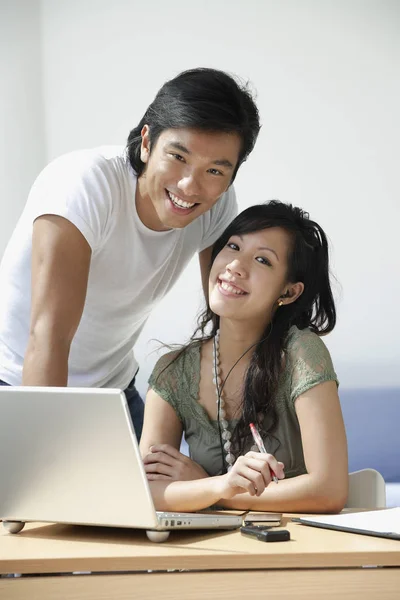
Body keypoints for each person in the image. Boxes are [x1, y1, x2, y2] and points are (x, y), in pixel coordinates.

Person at [0, 68, 260, 439]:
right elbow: (48, 336)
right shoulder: (84, 185)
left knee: (147, 497)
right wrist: (47, 459)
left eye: (215, 170)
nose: (190, 185)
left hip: (113, 391)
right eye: (178, 156)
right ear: (146, 142)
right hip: (18, 384)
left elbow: (229, 316)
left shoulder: (215, 205)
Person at [140, 201, 348, 513]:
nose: (235, 265)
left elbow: (329, 490)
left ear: (289, 292)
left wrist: (213, 492)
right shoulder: (173, 371)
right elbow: (144, 491)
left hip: (294, 547)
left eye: (263, 260)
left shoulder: (300, 353)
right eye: (233, 246)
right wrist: (218, 485)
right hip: (209, 552)